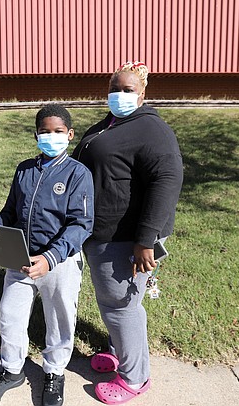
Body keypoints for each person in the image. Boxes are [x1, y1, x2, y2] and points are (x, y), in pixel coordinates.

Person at [72, 61, 183, 405]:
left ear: (143, 93)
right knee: (115, 303)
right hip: (101, 231)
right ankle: (120, 352)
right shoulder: (110, 124)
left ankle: (135, 378)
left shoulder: (151, 129)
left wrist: (145, 240)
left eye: (127, 90)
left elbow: (167, 180)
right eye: (114, 89)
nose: (119, 95)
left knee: (122, 307)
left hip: (126, 236)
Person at [0, 104, 94, 406]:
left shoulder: (79, 174)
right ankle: (12, 369)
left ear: (69, 135)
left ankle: (54, 372)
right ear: (36, 134)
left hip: (59, 262)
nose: (50, 137)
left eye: (57, 132)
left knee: (59, 320)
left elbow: (81, 224)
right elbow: (10, 212)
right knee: (10, 315)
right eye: (44, 132)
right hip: (21, 259)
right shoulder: (24, 169)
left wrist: (51, 258)